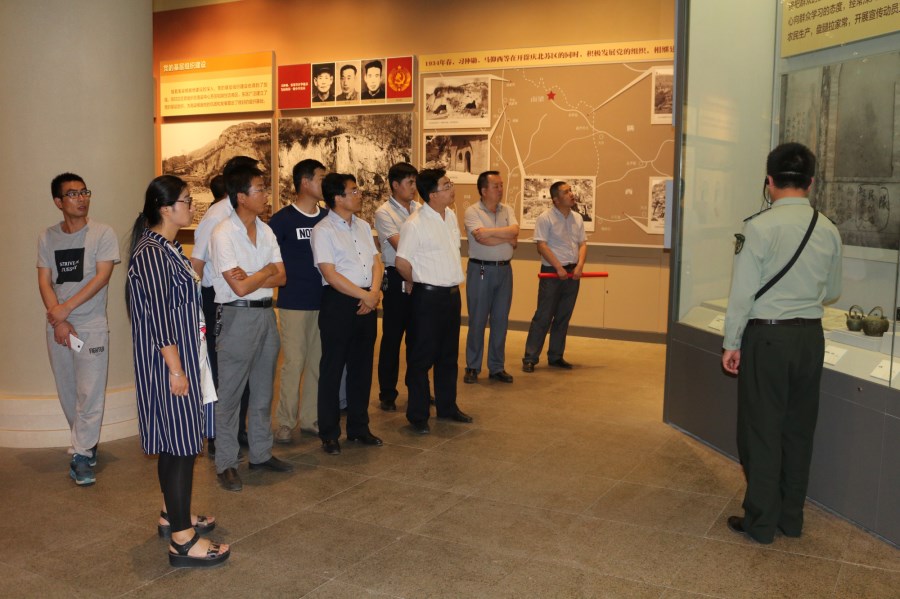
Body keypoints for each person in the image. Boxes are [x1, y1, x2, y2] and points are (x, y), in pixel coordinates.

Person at [722, 142, 842, 544]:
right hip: (809, 337)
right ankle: (791, 518)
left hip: (768, 336)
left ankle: (760, 522)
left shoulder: (758, 227)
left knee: (760, 430)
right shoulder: (827, 228)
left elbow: (742, 293)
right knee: (798, 430)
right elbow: (833, 291)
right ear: (811, 182)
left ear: (769, 181)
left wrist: (731, 342)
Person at [127, 175, 229, 568]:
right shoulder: (152, 253)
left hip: (183, 358)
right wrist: (175, 370)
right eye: (187, 200)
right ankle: (183, 541)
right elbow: (157, 316)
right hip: (170, 364)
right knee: (182, 446)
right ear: (165, 208)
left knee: (176, 443)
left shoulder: (166, 247)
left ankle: (173, 514)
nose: (192, 206)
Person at [210, 163, 293, 492]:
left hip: (266, 315)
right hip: (237, 316)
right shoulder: (223, 233)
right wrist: (265, 271)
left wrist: (257, 274)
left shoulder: (266, 230)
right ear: (241, 197)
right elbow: (240, 288)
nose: (266, 195)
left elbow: (282, 276)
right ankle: (226, 463)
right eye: (260, 189)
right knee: (230, 396)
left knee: (263, 391)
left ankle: (261, 453)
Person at [38, 172, 120, 486]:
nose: (81, 198)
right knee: (68, 390)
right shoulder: (47, 237)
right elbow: (45, 281)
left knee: (90, 392)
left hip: (91, 325)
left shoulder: (102, 233)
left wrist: (65, 310)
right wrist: (59, 320)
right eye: (72, 194)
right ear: (58, 202)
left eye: (84, 192)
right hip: (59, 327)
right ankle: (85, 442)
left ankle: (82, 454)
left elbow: (102, 277)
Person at [395, 169, 473, 434]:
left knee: (448, 356)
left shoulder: (449, 215)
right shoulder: (415, 223)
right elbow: (402, 262)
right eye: (446, 185)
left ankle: (447, 407)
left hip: (451, 295)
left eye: (450, 184)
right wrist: (416, 282)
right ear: (432, 194)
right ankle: (418, 415)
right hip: (427, 297)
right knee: (421, 357)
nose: (452, 189)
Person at [311, 173, 384, 455]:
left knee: (362, 368)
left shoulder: (363, 226)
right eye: (353, 191)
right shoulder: (323, 230)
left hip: (367, 299)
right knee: (333, 368)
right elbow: (330, 274)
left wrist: (373, 292)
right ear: (337, 198)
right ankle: (329, 433)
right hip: (339, 302)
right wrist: (364, 295)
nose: (359, 194)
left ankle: (358, 427)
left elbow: (376, 262)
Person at [190, 157, 258, 457]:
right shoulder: (217, 215)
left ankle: (238, 430)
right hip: (217, 300)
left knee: (245, 369)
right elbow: (197, 262)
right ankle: (218, 436)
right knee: (223, 372)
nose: (262, 190)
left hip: (245, 299)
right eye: (257, 184)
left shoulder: (251, 220)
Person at [269, 159, 328, 444]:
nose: (325, 184)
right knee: (294, 362)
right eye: (320, 178)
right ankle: (285, 421)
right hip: (293, 302)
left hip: (324, 301)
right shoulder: (282, 220)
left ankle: (310, 418)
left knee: (317, 362)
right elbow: (270, 259)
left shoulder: (327, 217)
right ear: (305, 183)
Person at [522, 182, 587, 372]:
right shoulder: (545, 218)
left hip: (572, 273)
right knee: (543, 316)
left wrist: (580, 266)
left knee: (563, 316)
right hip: (552, 272)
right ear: (556, 199)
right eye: (566, 192)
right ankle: (530, 357)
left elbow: (583, 244)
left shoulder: (577, 218)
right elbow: (541, 245)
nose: (571, 194)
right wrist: (558, 267)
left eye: (571, 191)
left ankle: (556, 356)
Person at [463, 171, 519, 384]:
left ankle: (496, 367)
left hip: (504, 271)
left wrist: (491, 233)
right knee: (477, 320)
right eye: (496, 186)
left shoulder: (508, 210)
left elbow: (515, 231)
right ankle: (472, 366)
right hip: (481, 270)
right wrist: (506, 237)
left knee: (500, 321)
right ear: (484, 190)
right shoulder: (472, 211)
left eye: (501, 185)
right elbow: (480, 238)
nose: (500, 189)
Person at [374, 162, 420, 411]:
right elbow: (401, 246)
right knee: (392, 338)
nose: (414, 187)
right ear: (395, 185)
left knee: (417, 338)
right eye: (409, 182)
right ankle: (387, 393)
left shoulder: (420, 209)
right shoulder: (384, 213)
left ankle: (417, 390)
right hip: (396, 277)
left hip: (419, 275)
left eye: (415, 182)